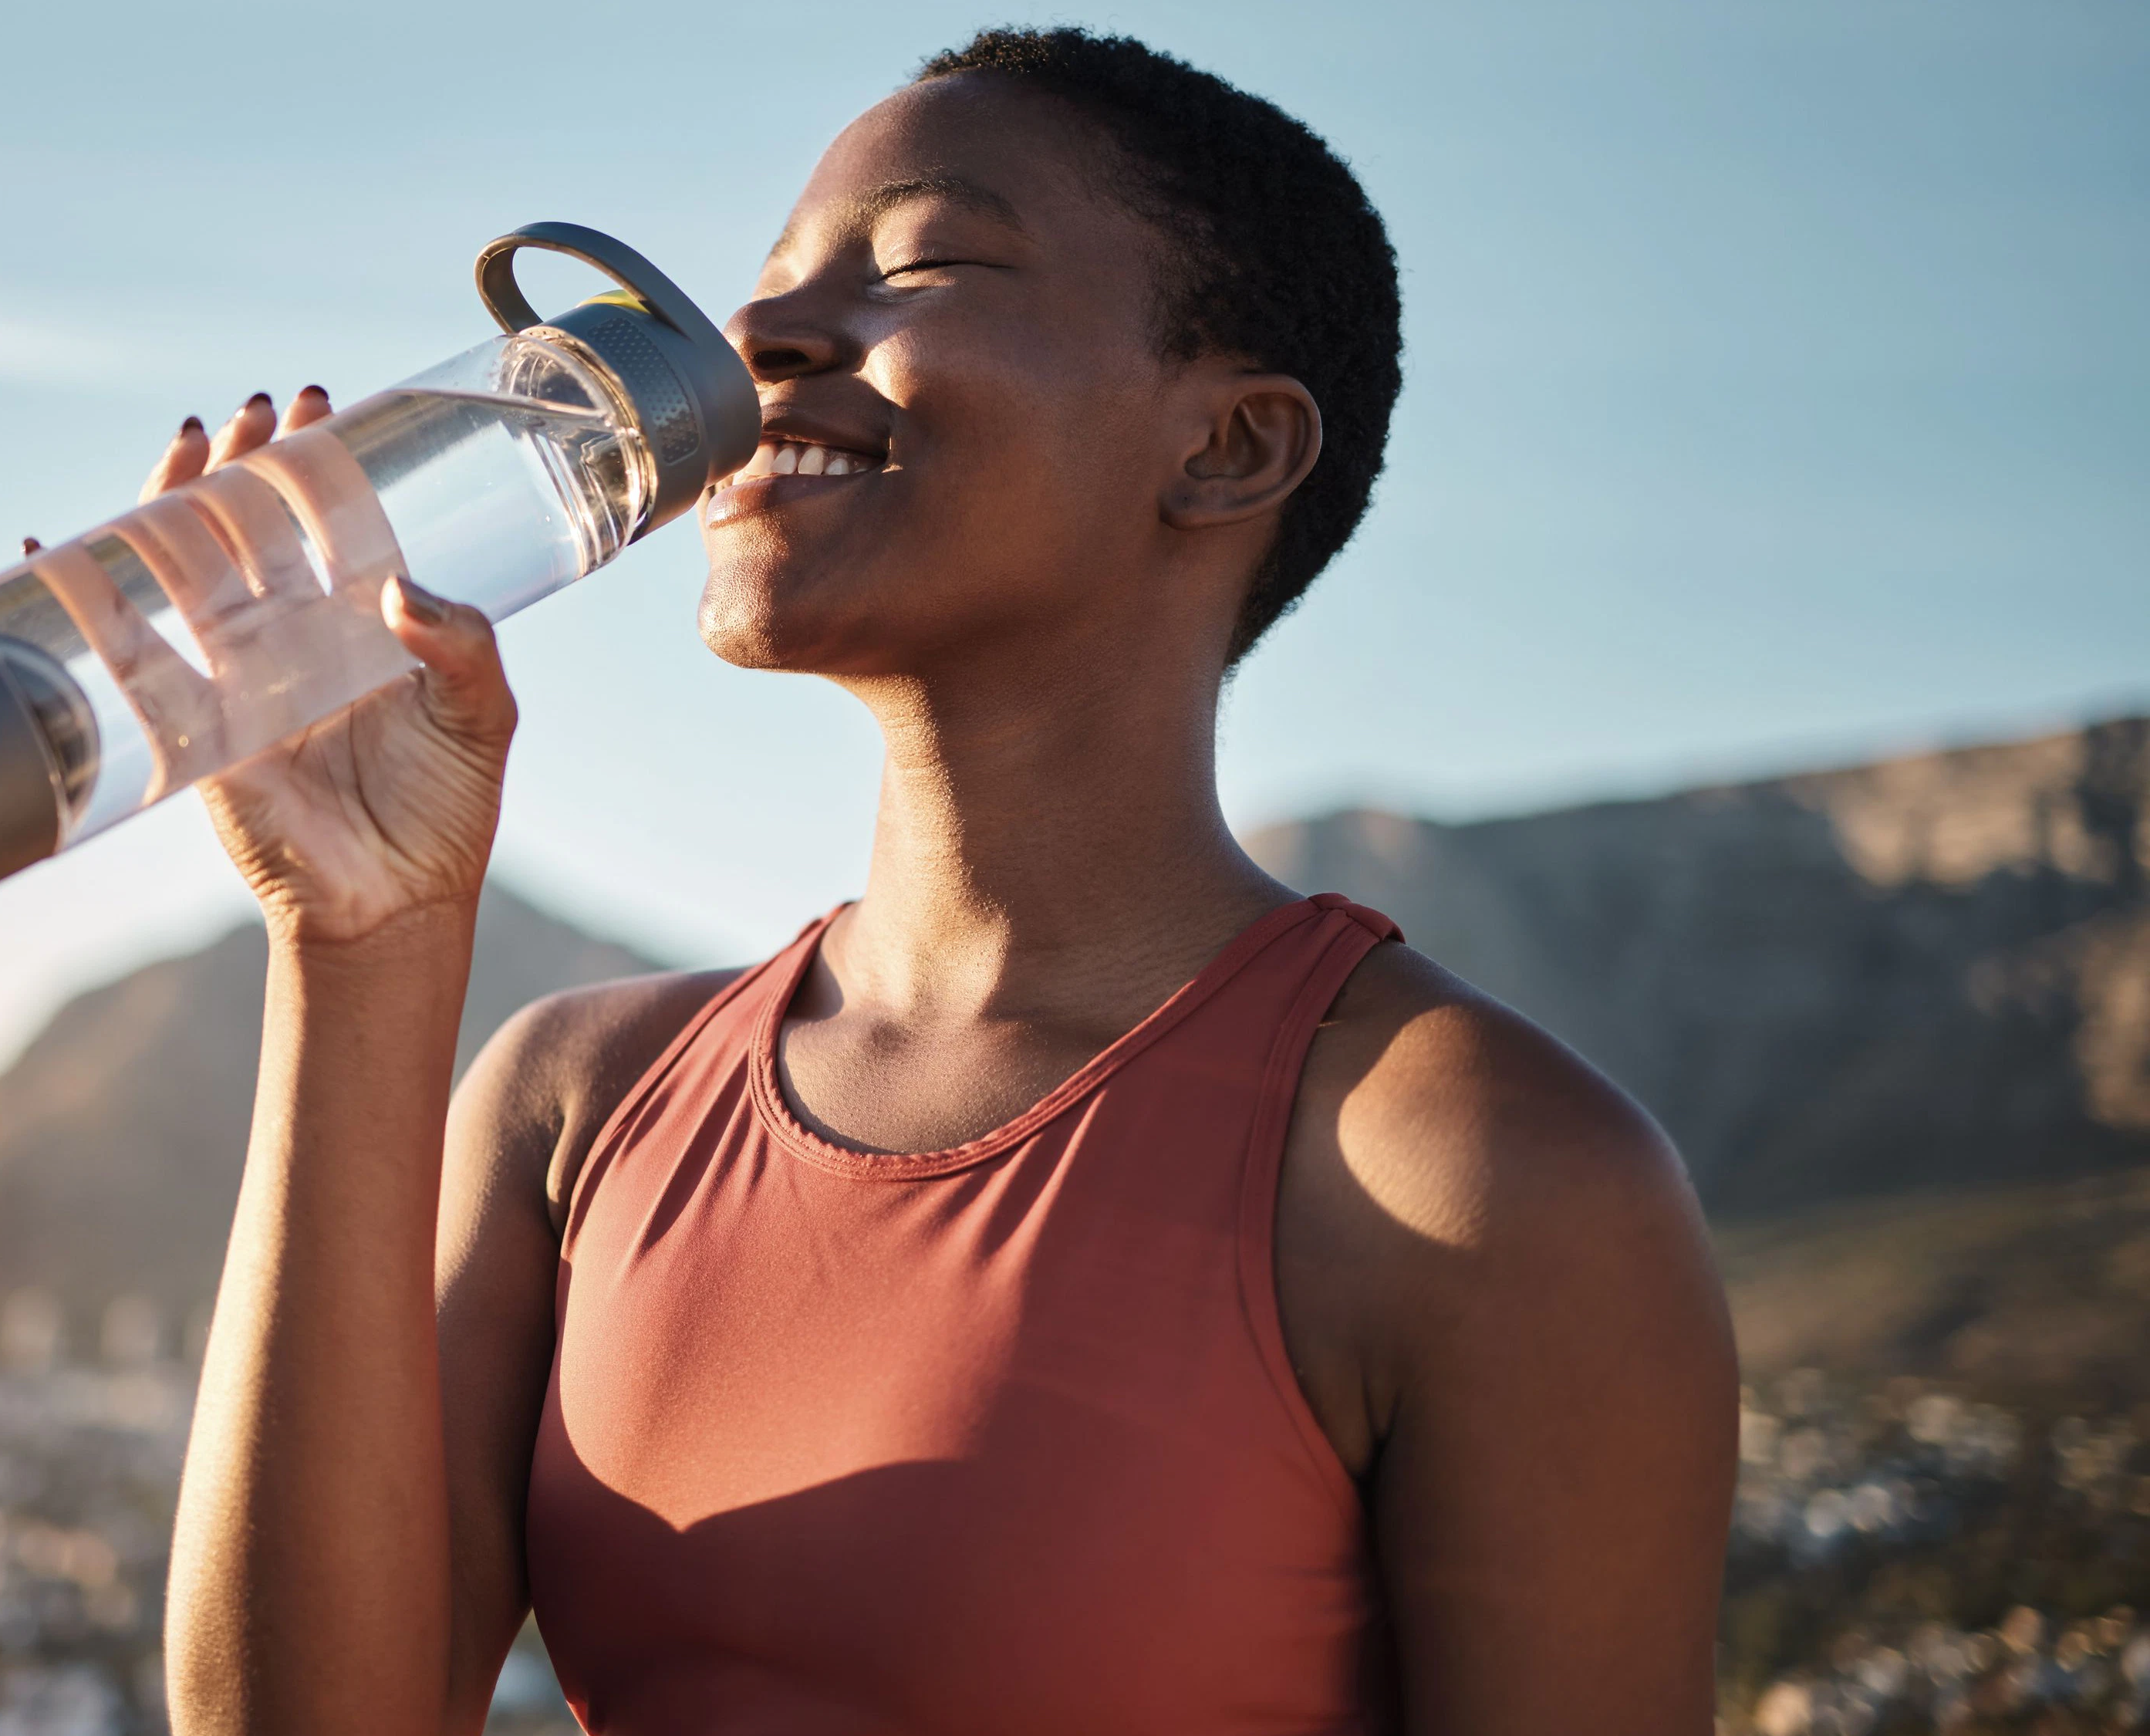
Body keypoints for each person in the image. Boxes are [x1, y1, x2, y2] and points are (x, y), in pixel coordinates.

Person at [149, 27, 1737, 1736]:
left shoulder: (1471, 1173)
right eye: (769, 285)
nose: (753, 341)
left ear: (1225, 450)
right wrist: (357, 940)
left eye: (925, 264)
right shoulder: (577, 1101)